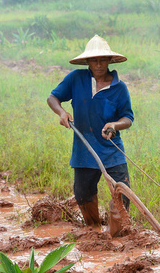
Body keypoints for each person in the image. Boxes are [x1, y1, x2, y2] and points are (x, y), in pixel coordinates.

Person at [47, 35, 134, 226]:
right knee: (83, 193)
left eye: (103, 59)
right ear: (87, 61)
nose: (99, 64)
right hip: (84, 148)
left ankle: (118, 235)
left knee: (122, 193)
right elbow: (53, 98)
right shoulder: (76, 79)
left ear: (110, 60)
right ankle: (93, 231)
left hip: (111, 150)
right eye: (94, 60)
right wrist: (62, 113)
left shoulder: (119, 88)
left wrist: (114, 125)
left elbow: (128, 118)